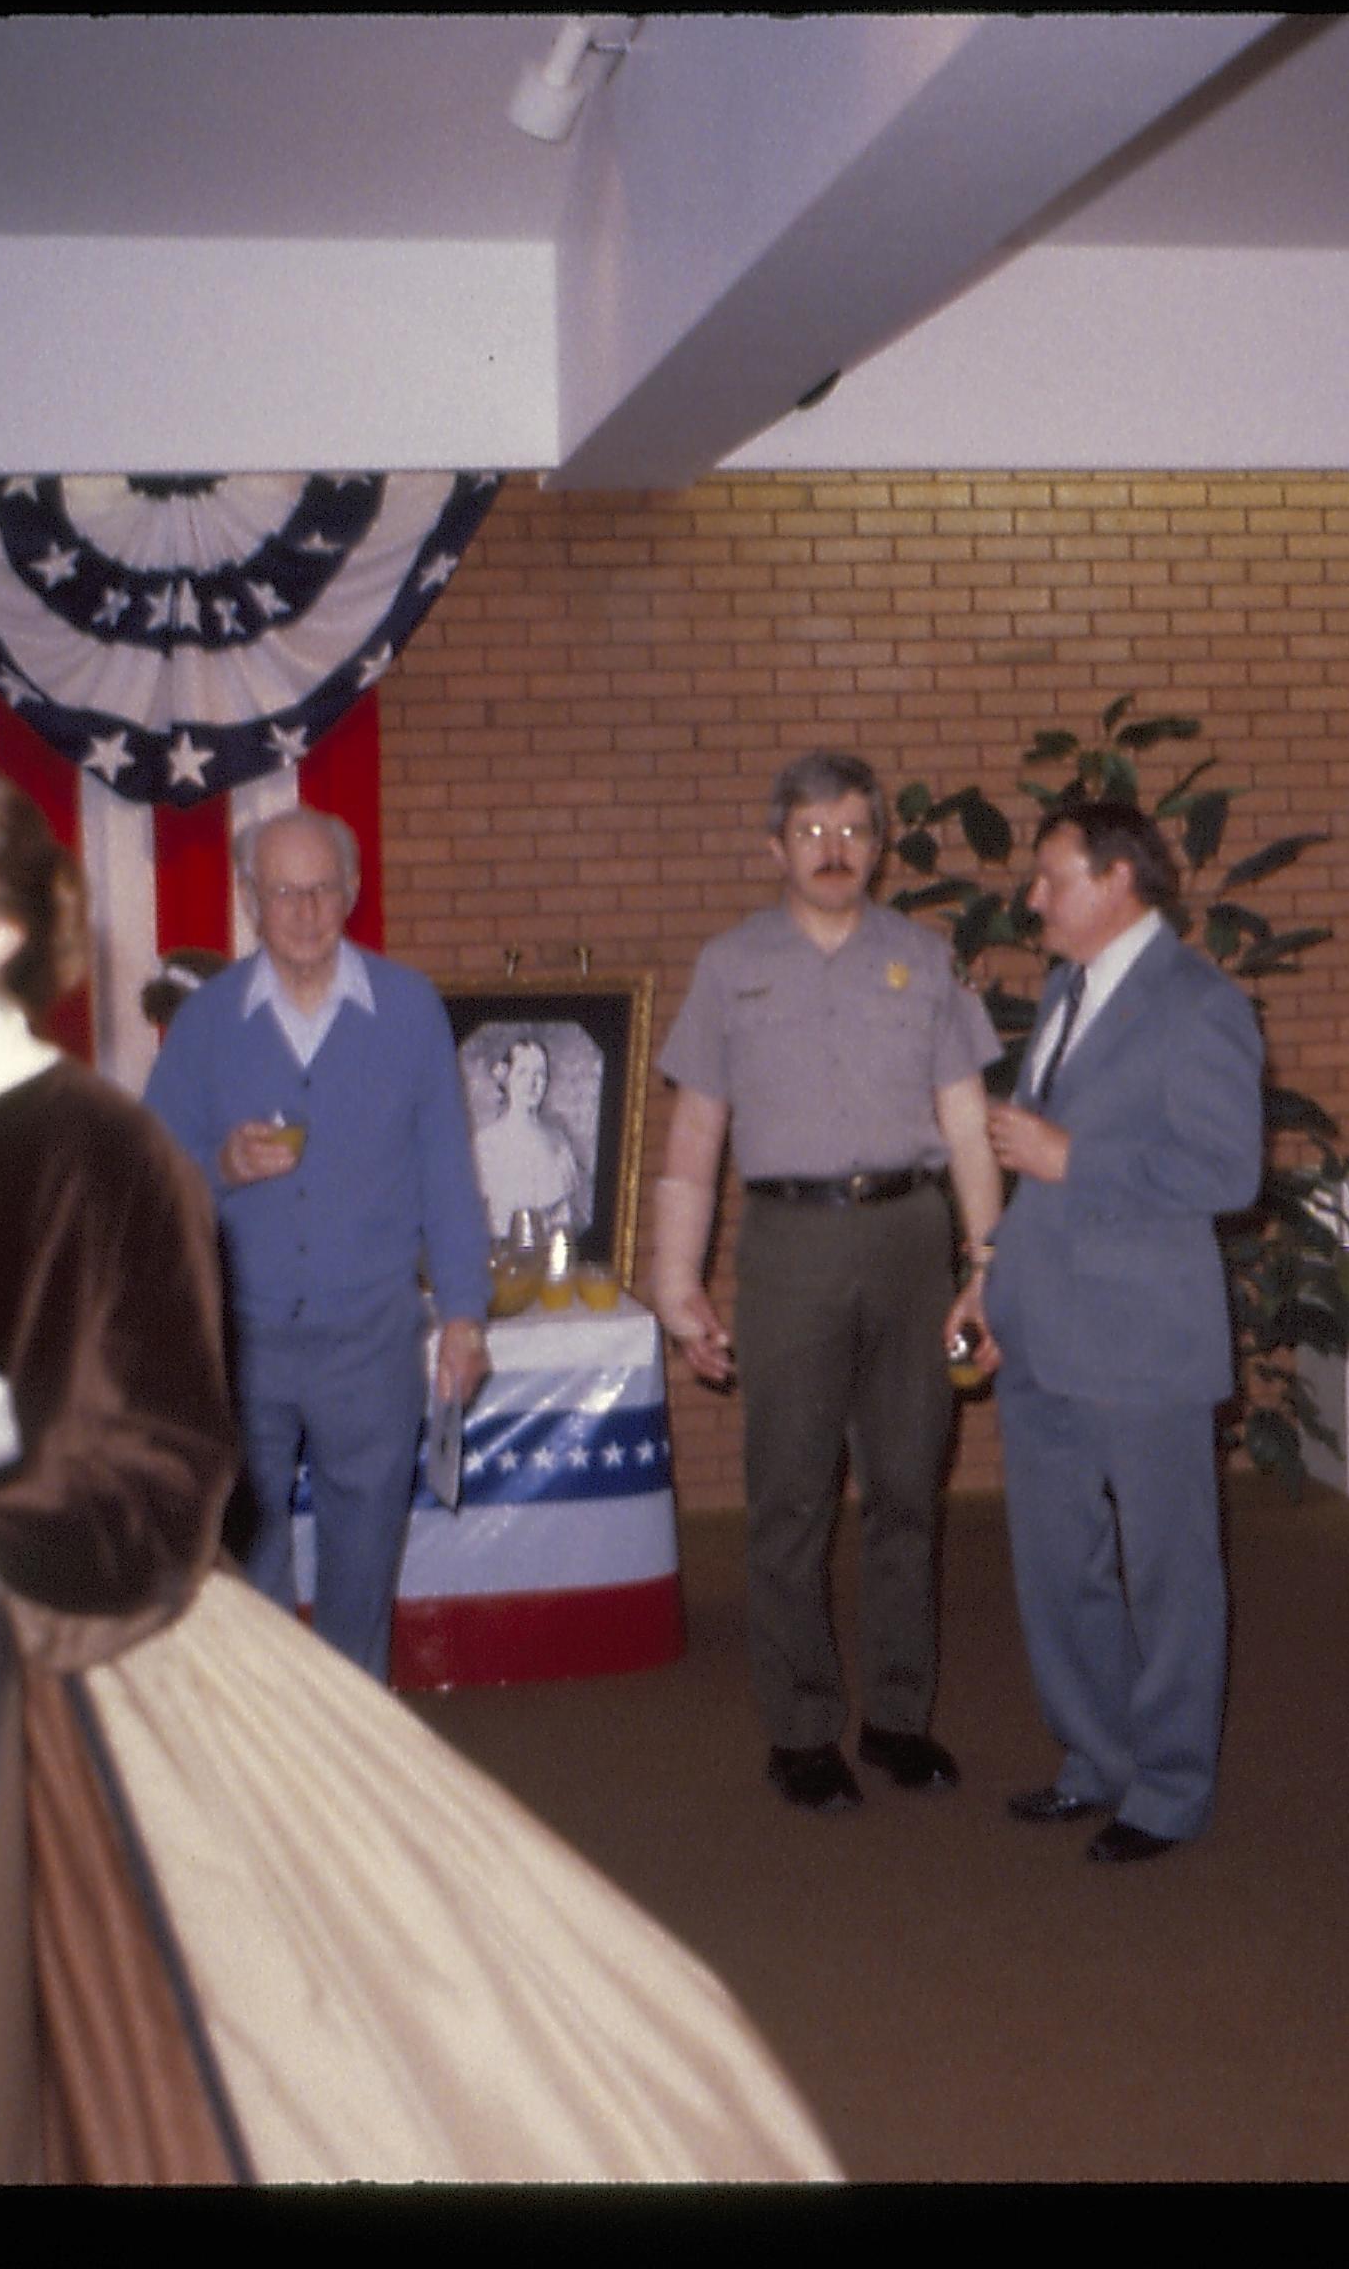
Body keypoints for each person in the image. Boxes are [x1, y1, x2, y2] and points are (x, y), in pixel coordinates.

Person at [0, 756, 838, 2182]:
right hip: (146, 1440)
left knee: (339, 1612)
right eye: (277, 892)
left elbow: (403, 1219)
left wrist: (459, 1310)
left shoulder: (354, 1036)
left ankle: (334, 1816)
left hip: (280, 1425)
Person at [647, 752, 1004, 1813]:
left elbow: (969, 1127)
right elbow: (695, 1136)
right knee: (791, 1497)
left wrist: (985, 1270)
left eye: (854, 831)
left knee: (906, 1488)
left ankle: (899, 1717)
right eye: (812, 833)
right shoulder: (729, 966)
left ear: (881, 844)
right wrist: (677, 1281)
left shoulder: (924, 959)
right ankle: (802, 1729)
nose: (835, 851)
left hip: (911, 1238)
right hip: (790, 1249)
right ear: (775, 848)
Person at [964, 799, 1264, 1865]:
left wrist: (1072, 1158)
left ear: (1119, 882)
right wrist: (987, 1281)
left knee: (1170, 1573)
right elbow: (1032, 1168)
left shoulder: (1198, 1003)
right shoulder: (1063, 989)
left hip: (1143, 1341)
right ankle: (1096, 1761)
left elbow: (1230, 1172)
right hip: (1043, 1328)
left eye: (1052, 879)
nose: (1031, 898)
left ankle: (1170, 1789)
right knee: (1058, 1565)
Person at [144, 808, 492, 1680]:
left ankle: (356, 1758)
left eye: (322, 889)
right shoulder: (207, 1022)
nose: (304, 910)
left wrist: (464, 1315)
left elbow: (448, 1174)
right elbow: (147, 1180)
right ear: (250, 898)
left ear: (353, 892)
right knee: (246, 1577)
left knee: (362, 1574)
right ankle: (271, 1765)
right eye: (283, 891)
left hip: (371, 1343)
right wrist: (218, 1163)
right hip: (240, 1344)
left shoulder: (409, 1010)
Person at [471, 1031, 589, 1240]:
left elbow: (565, 1221)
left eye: (540, 1074)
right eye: (523, 1073)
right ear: (506, 1078)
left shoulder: (559, 1142)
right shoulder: (485, 1145)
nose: (532, 1083)